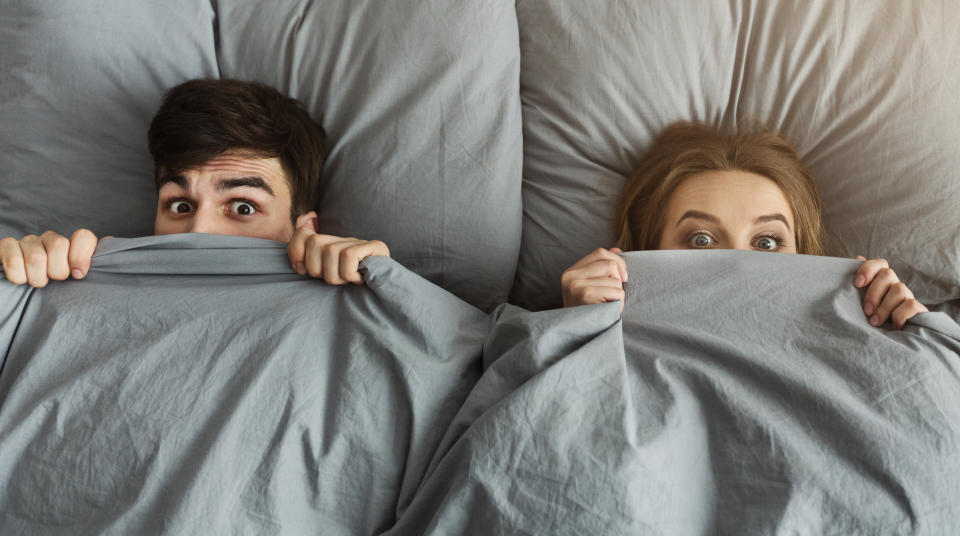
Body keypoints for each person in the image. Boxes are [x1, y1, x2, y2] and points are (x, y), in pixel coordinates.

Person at [0, 79, 388, 287]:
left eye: (242, 207)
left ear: (305, 229)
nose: (198, 230)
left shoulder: (350, 302)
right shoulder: (80, 282)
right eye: (180, 206)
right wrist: (19, 277)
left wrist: (380, 281)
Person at [561, 121, 928, 330]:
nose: (738, 262)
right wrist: (575, 328)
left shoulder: (871, 325)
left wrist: (915, 334)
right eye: (701, 239)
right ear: (643, 251)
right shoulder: (579, 326)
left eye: (767, 242)